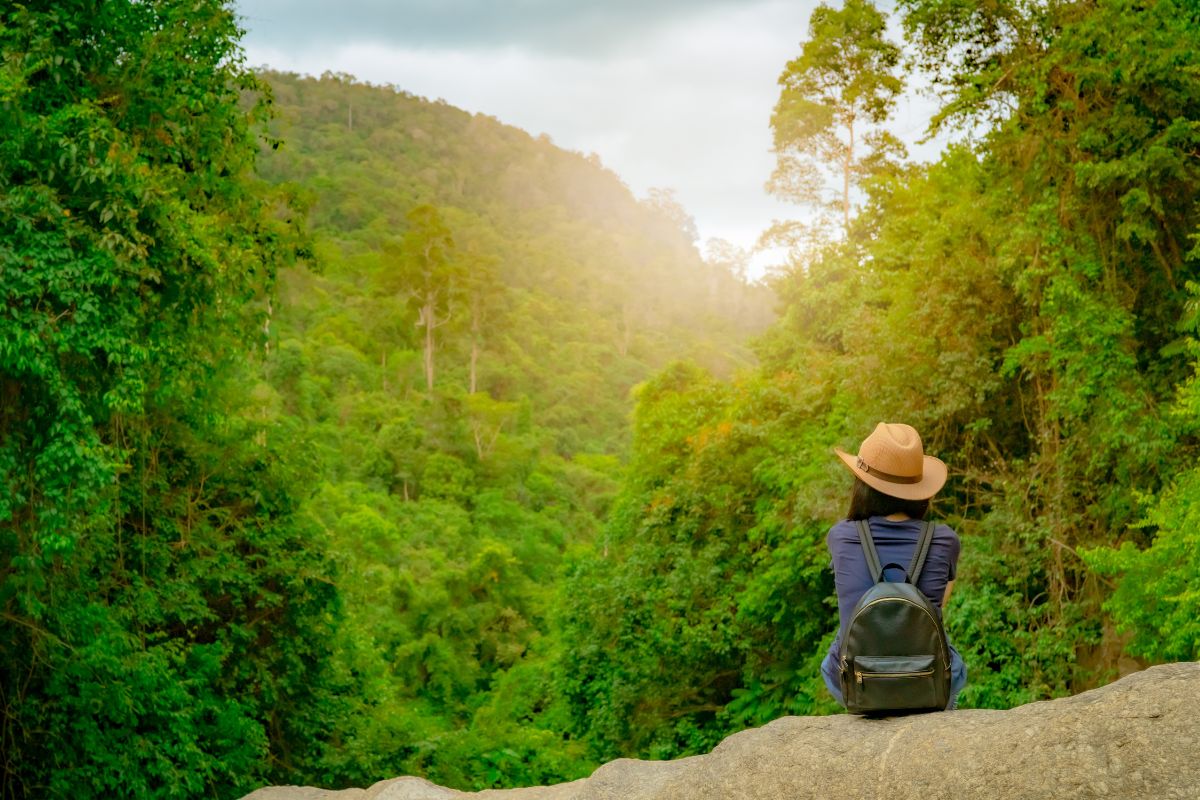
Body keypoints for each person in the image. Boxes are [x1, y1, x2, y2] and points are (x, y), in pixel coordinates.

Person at [820, 422, 968, 710]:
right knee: (951, 655)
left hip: (856, 676)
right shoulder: (944, 540)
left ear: (862, 486)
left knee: (834, 655)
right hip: (926, 676)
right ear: (920, 489)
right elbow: (938, 601)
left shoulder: (840, 537)